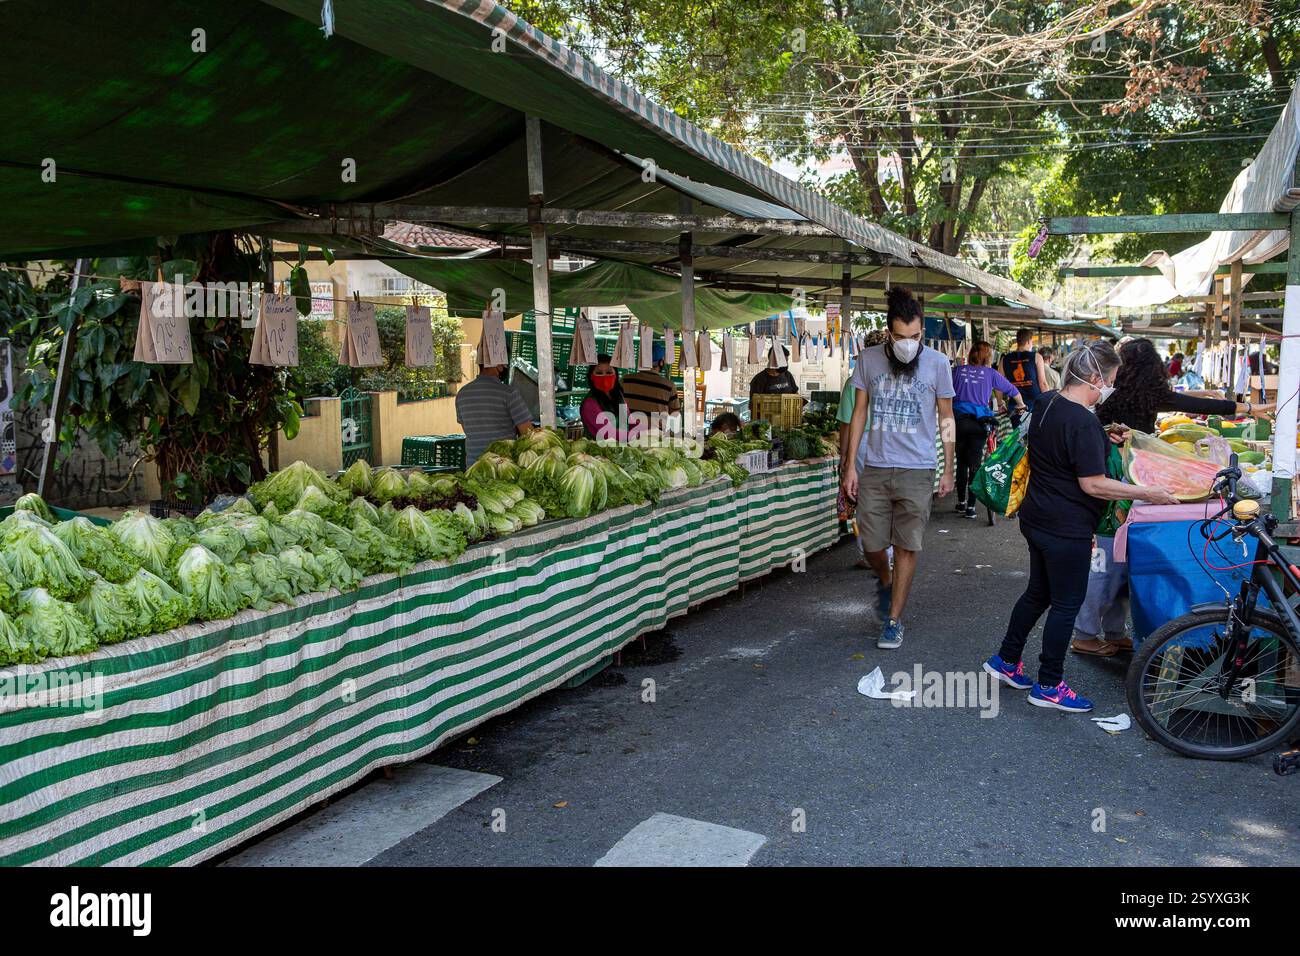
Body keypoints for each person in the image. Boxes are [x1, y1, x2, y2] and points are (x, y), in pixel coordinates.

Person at [982, 343, 1178, 712]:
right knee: (1066, 604)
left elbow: (1063, 445)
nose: (1112, 387)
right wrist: (1147, 492)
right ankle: (1050, 685)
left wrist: (1102, 437)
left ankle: (1006, 661)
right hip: (1066, 526)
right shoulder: (1083, 422)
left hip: (1036, 518)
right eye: (1111, 380)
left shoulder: (1046, 402)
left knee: (1037, 593)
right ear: (1094, 378)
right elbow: (1094, 484)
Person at [841, 287, 955, 650]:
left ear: (922, 332)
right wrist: (850, 466)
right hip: (875, 465)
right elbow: (859, 413)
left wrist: (948, 467)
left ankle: (893, 620)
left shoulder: (938, 363)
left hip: (918, 469)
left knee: (907, 545)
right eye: (900, 337)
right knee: (872, 545)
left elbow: (946, 416)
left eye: (915, 336)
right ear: (889, 332)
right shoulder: (869, 359)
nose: (908, 343)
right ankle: (885, 576)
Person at [1097, 337, 1270, 435]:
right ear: (1154, 366)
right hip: (1138, 455)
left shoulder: (1106, 391)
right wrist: (1248, 407)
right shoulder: (1153, 396)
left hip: (1109, 458)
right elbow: (1206, 406)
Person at [951, 340, 1026, 519]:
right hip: (980, 423)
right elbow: (1013, 390)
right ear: (987, 357)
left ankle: (961, 503)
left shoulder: (956, 371)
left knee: (961, 462)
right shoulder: (990, 374)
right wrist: (1021, 405)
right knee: (975, 463)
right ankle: (971, 507)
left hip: (959, 422)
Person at [455, 346, 534, 465]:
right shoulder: (509, 393)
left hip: (473, 469)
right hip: (502, 469)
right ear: (498, 364)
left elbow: (470, 431)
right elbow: (528, 434)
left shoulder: (462, 394)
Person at [580, 354, 643, 441]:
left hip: (622, 449)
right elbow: (608, 433)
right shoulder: (590, 403)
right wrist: (636, 436)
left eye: (609, 373)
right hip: (600, 452)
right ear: (591, 376)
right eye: (599, 373)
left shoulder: (619, 396)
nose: (604, 377)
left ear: (615, 375)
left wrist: (643, 430)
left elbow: (630, 421)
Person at [622, 342, 681, 427]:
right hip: (656, 436)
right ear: (661, 362)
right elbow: (675, 413)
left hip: (629, 434)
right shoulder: (669, 386)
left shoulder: (626, 380)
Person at [1000, 328, 1050, 404]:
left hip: (1015, 403)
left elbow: (998, 383)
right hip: (1034, 403)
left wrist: (999, 402)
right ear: (1029, 342)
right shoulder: (1036, 357)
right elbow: (1043, 383)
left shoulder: (1005, 359)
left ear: (1018, 341)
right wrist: (1047, 402)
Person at [749, 348, 800, 420]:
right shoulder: (759, 380)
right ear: (773, 360)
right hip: (766, 423)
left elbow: (796, 395)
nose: (785, 364)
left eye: (786, 361)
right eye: (783, 361)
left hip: (787, 420)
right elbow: (753, 406)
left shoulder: (787, 375)